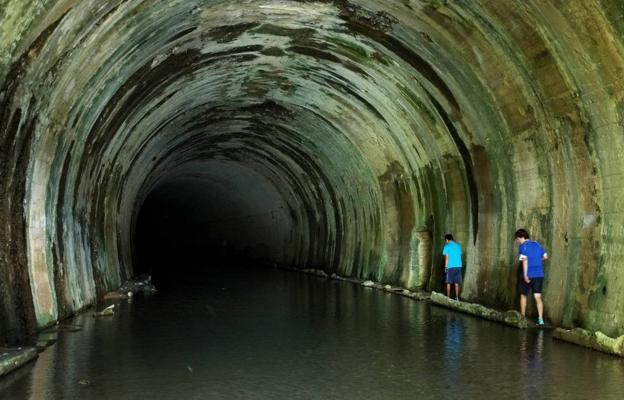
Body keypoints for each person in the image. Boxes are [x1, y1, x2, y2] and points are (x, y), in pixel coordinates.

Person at [514, 229, 549, 325]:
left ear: (521, 237)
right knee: (538, 297)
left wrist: (525, 274)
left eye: (517, 239)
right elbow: (545, 257)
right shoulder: (537, 244)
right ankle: (541, 320)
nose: (517, 242)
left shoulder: (522, 246)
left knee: (523, 295)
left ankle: (522, 318)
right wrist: (537, 260)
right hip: (539, 275)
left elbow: (524, 260)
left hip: (528, 274)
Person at [442, 234, 462, 300]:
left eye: (446, 240)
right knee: (457, 283)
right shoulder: (458, 246)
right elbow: (459, 255)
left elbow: (447, 258)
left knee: (448, 283)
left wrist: (446, 267)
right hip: (458, 266)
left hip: (450, 266)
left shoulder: (446, 247)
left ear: (447, 240)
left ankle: (448, 298)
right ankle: (457, 298)